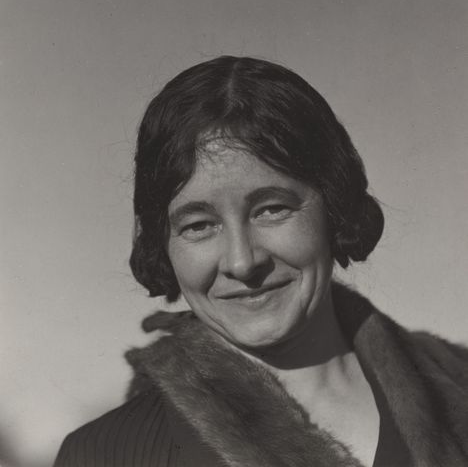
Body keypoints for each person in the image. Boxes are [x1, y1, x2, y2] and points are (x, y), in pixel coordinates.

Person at [54, 56, 468, 467]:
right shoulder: (104, 456)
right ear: (163, 245)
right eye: (198, 225)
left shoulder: (457, 388)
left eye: (271, 209)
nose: (242, 262)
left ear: (334, 207)